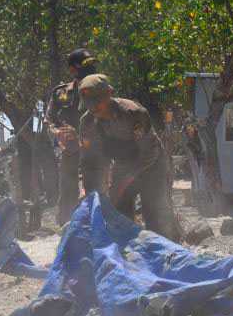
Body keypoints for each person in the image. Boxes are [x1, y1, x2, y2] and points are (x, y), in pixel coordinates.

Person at [78, 74, 182, 240]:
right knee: (119, 212)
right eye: (89, 103)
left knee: (154, 213)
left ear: (109, 94)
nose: (94, 107)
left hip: (152, 165)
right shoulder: (88, 122)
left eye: (97, 101)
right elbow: (91, 161)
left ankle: (170, 251)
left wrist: (125, 180)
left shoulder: (133, 113)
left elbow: (149, 152)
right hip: (123, 164)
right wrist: (92, 194)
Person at [44, 48, 98, 224]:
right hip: (70, 150)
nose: (91, 69)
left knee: (96, 190)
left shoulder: (100, 88)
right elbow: (49, 119)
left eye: (92, 65)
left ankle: (98, 228)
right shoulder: (61, 93)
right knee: (67, 192)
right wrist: (57, 133)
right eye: (85, 66)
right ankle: (67, 229)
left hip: (95, 149)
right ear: (73, 70)